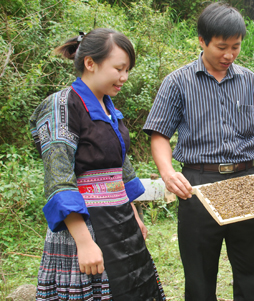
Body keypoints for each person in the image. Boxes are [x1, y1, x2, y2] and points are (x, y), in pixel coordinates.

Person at [143, 3, 254, 301]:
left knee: (251, 269)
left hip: (246, 181)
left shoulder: (249, 81)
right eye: (221, 47)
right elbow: (159, 134)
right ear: (202, 40)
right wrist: (168, 172)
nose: (229, 55)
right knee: (199, 274)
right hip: (199, 183)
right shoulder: (178, 82)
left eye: (235, 47)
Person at [30, 28, 165, 301]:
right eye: (119, 69)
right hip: (86, 227)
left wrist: (134, 214)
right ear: (90, 63)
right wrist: (84, 242)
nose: (124, 77)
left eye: (128, 70)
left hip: (122, 224)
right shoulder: (61, 106)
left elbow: (120, 166)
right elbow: (59, 179)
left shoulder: (109, 108)